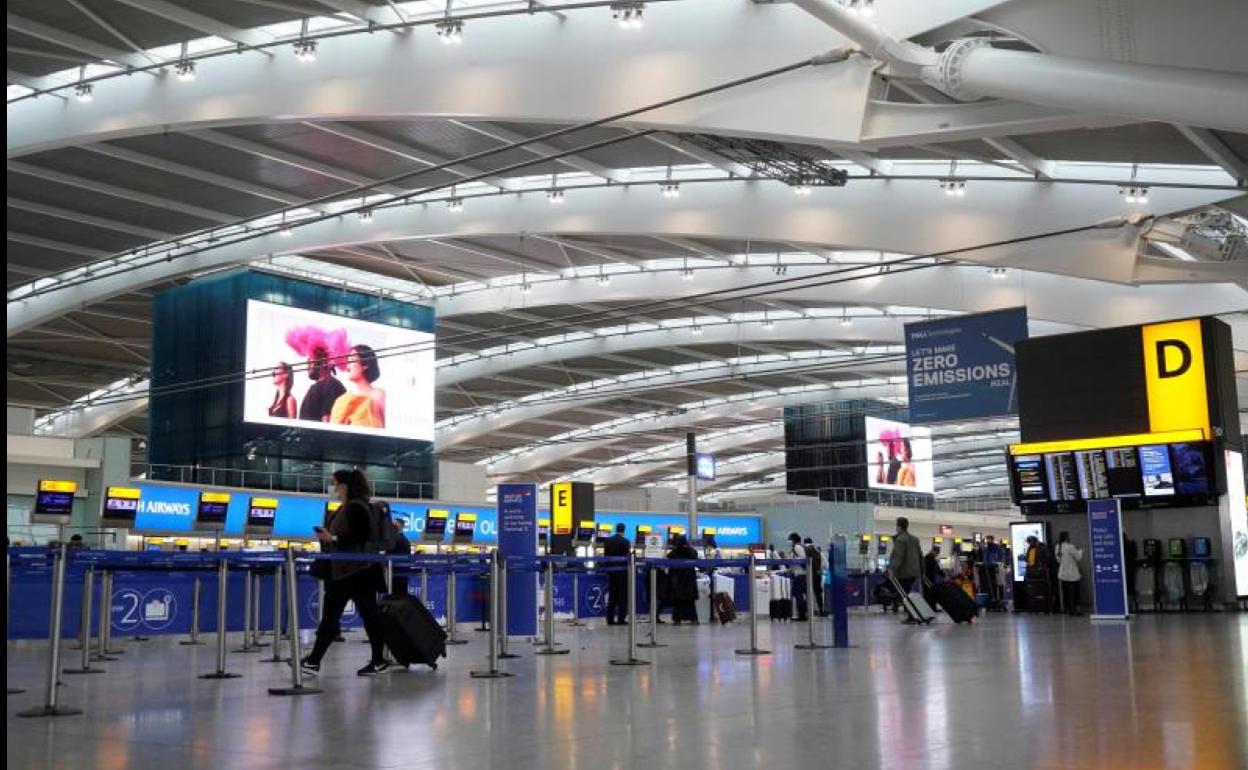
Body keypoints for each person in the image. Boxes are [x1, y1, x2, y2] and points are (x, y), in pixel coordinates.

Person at [302, 469, 390, 677]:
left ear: (344, 486)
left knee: (349, 616)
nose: (332, 487)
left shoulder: (356, 507)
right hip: (347, 571)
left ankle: (316, 661)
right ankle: (315, 660)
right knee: (344, 616)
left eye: (334, 483)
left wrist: (331, 539)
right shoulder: (347, 507)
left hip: (356, 571)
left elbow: (360, 536)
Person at [330, 344, 386, 428]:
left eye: (352, 360)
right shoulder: (341, 400)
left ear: (365, 365)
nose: (348, 367)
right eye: (348, 362)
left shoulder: (379, 395)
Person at [299, 346, 346, 423]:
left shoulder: (332, 385)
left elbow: (327, 420)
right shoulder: (316, 387)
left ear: (324, 362)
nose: (307, 367)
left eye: (310, 363)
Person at [602, 523, 632, 626]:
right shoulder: (626, 542)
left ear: (616, 529)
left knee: (612, 596)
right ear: (624, 530)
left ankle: (610, 619)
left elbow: (605, 556)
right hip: (622, 572)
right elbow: (628, 556)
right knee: (622, 597)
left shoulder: (608, 541)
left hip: (611, 572)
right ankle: (621, 619)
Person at [666, 534, 700, 625]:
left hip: (677, 580)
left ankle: (677, 620)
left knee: (678, 602)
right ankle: (693, 619)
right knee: (690, 602)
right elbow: (695, 556)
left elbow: (668, 558)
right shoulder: (691, 552)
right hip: (689, 579)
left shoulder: (674, 552)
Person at [886, 517, 923, 595]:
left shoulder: (900, 540)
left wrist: (891, 570)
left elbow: (898, 557)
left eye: (896, 526)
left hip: (903, 573)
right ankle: (904, 605)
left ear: (899, 527)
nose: (896, 528)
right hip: (914, 572)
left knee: (899, 592)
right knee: (905, 591)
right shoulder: (915, 539)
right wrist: (922, 570)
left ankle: (899, 605)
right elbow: (920, 556)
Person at [1055, 531, 1084, 616]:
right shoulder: (1070, 547)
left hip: (1063, 574)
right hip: (1072, 574)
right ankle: (1076, 610)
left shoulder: (1057, 547)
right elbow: (1078, 558)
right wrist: (1081, 551)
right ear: (1067, 537)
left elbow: (1058, 560)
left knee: (1066, 593)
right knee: (1075, 593)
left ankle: (1068, 609)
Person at [788, 532, 810, 622]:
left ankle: (802, 615)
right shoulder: (798, 547)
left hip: (800, 574)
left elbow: (801, 559)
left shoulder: (797, 547)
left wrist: (792, 562)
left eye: (790, 540)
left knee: (798, 594)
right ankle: (802, 614)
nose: (789, 542)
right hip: (800, 574)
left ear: (793, 540)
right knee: (799, 594)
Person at [388, 515, 412, 597]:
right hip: (402, 574)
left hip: (396, 573)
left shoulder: (397, 539)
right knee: (401, 596)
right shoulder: (404, 540)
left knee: (396, 596)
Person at [803, 537, 825, 616]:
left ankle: (807, 612)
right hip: (817, 574)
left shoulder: (804, 550)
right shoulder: (817, 551)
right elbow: (825, 564)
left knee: (807, 593)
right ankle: (821, 610)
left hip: (808, 574)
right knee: (818, 593)